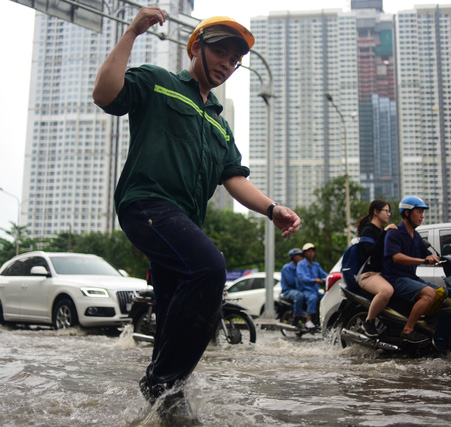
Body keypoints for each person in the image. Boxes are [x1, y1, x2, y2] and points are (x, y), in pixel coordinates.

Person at [92, 7, 301, 416]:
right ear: (196, 49)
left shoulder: (220, 125)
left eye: (234, 59)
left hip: (182, 223)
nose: (227, 63)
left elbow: (234, 178)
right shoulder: (159, 83)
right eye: (221, 52)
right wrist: (133, 32)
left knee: (179, 315)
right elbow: (105, 94)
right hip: (146, 204)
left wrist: (272, 208)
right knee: (210, 267)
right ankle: (161, 383)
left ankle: (166, 405)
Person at [382, 196, 440, 343]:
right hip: (395, 278)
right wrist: (424, 260)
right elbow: (397, 257)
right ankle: (408, 330)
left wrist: (436, 257)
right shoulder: (394, 232)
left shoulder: (416, 236)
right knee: (429, 294)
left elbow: (426, 253)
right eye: (419, 212)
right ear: (407, 213)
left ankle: (425, 326)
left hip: (410, 278)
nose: (422, 216)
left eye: (423, 212)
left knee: (441, 292)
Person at [355, 200, 397, 338]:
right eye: (386, 211)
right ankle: (369, 321)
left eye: (390, 211)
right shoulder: (368, 230)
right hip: (368, 275)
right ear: (376, 212)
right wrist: (385, 232)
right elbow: (372, 252)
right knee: (386, 291)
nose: (389, 214)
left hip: (383, 273)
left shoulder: (380, 231)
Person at [296, 243, 327, 329]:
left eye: (312, 252)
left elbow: (324, 275)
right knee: (312, 298)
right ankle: (308, 320)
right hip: (305, 290)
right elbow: (301, 277)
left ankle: (320, 318)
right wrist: (313, 280)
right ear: (305, 253)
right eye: (309, 251)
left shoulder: (316, 265)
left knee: (325, 298)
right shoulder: (301, 264)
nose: (311, 253)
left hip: (314, 290)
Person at [280, 248, 304, 325]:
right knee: (299, 296)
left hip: (300, 289)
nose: (300, 258)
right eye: (298, 256)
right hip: (288, 291)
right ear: (293, 257)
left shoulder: (302, 267)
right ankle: (296, 317)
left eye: (301, 256)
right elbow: (292, 282)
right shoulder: (287, 268)